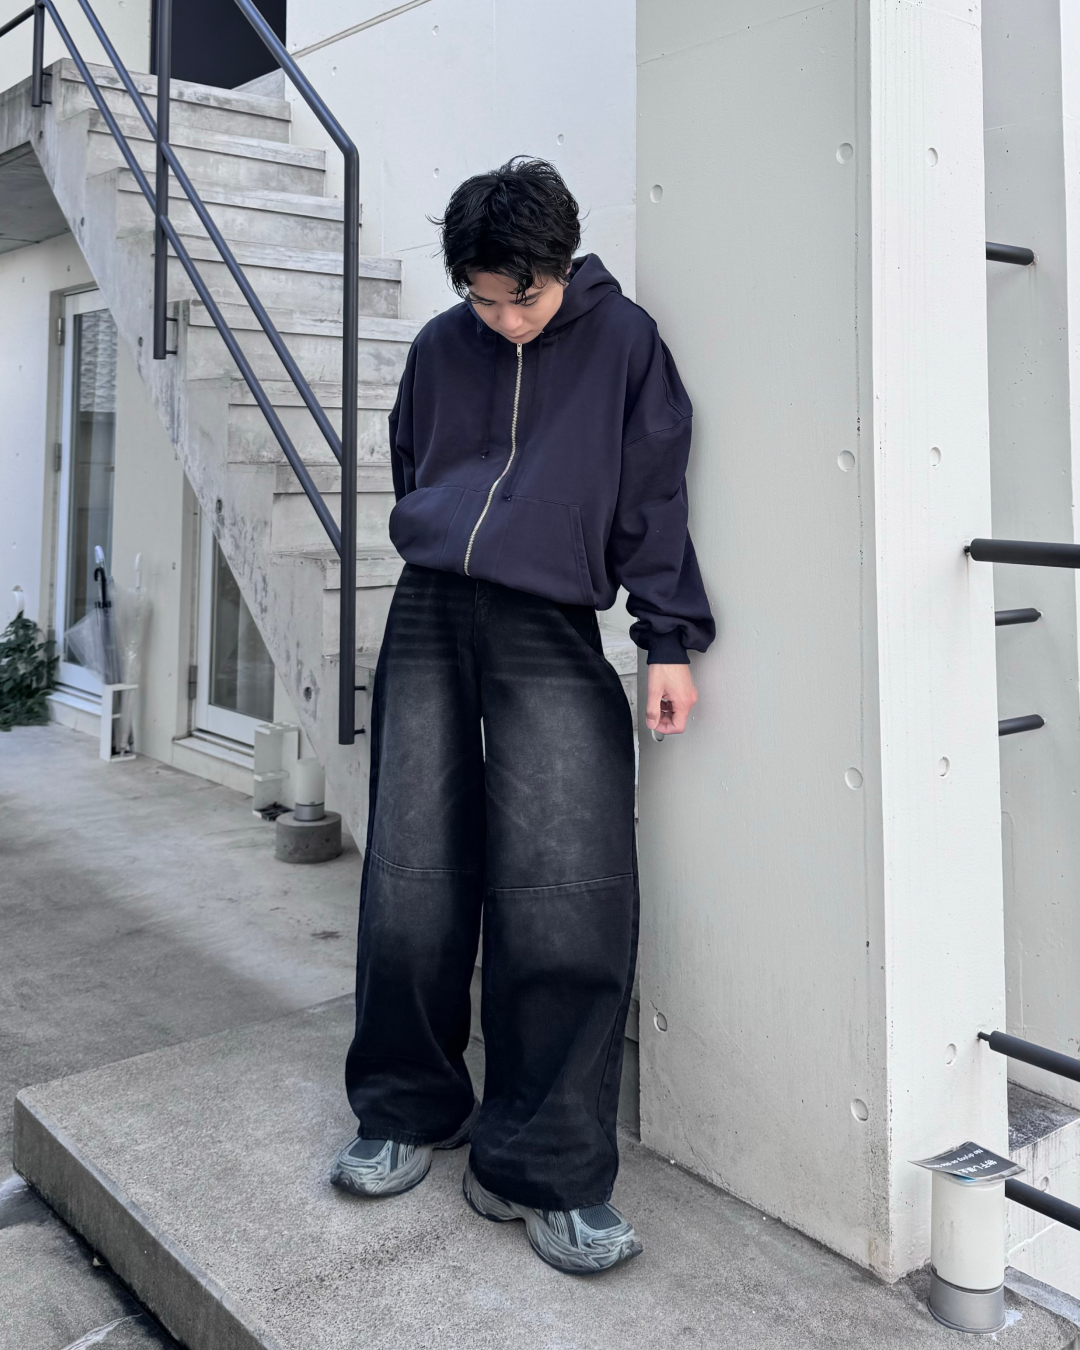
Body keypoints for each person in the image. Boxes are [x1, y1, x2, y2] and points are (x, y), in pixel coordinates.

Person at [330, 158, 715, 1274]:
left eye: (522, 297)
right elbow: (414, 464)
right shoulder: (438, 346)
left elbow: (653, 496)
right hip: (430, 605)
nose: (501, 318)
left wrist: (668, 638)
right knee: (410, 869)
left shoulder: (624, 342)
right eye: (481, 297)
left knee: (566, 882)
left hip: (551, 618)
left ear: (563, 265)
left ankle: (543, 1163)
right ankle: (406, 1104)